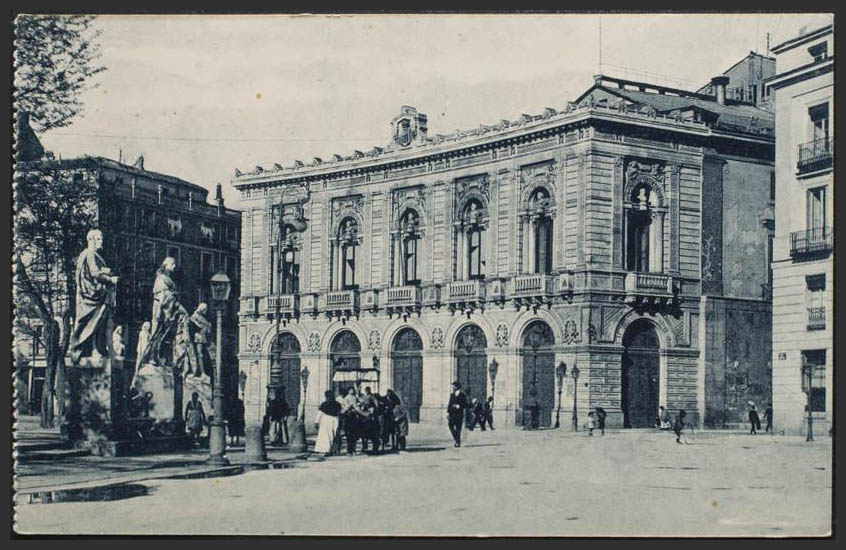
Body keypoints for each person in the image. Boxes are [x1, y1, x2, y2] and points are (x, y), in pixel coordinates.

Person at [69, 229, 119, 364]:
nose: (101, 241)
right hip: (91, 297)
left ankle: (97, 348)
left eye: (101, 238)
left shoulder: (95, 255)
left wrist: (106, 272)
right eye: (99, 238)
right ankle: (93, 349)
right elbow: (95, 274)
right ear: (91, 240)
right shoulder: (90, 254)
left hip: (98, 295)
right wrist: (110, 279)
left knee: (98, 323)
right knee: (93, 323)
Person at [314, 390, 341, 456]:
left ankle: (326, 449)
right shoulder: (337, 404)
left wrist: (316, 422)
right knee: (334, 435)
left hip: (326, 420)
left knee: (326, 435)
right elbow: (339, 412)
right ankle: (334, 450)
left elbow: (320, 413)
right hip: (335, 419)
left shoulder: (324, 404)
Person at [447, 381, 469, 448]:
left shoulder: (462, 395)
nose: (453, 387)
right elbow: (450, 404)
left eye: (454, 386)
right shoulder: (452, 394)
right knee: (450, 425)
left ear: (457, 386)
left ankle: (457, 442)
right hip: (452, 414)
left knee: (458, 428)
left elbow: (465, 404)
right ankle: (457, 439)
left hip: (459, 414)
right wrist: (448, 412)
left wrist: (459, 406)